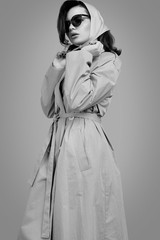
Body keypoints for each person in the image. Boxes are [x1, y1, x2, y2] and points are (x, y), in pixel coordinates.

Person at [17, 1, 129, 240]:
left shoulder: (108, 60)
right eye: (67, 24)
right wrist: (56, 68)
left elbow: (78, 100)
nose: (71, 27)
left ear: (95, 21)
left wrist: (83, 56)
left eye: (78, 20)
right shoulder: (72, 60)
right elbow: (48, 108)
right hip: (58, 143)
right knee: (56, 216)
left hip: (86, 142)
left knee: (83, 214)